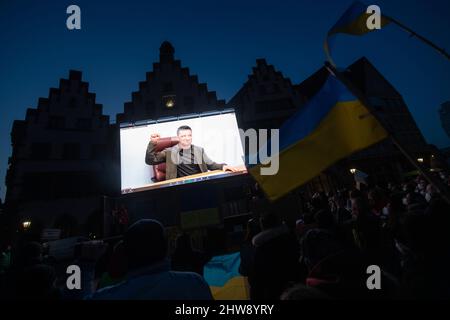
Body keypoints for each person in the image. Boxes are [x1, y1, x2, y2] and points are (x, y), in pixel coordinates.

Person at [145, 125, 239, 180]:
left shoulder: (199, 150)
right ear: (178, 137)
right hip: (178, 187)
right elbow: (150, 160)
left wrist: (223, 166)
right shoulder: (169, 152)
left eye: (189, 135)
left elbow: (211, 165)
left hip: (199, 182)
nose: (187, 138)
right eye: (183, 136)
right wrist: (153, 143)